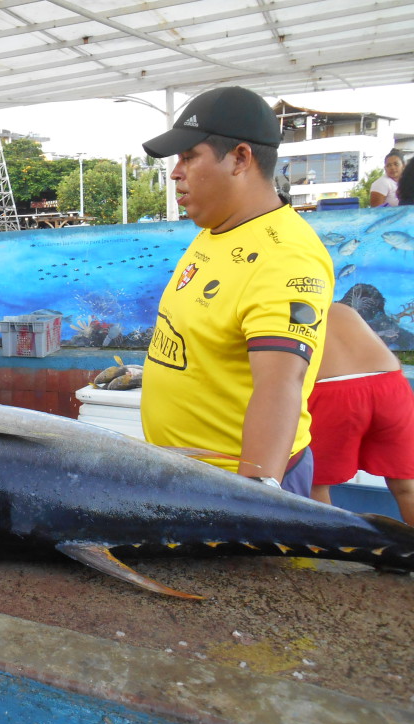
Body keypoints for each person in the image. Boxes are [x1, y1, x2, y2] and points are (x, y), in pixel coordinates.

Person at [139, 86, 334, 497]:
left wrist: (252, 502)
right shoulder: (218, 229)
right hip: (184, 476)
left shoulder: (285, 256)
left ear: (241, 159)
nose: (176, 172)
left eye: (189, 157)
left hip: (227, 488)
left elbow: (280, 383)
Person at [308, 303, 414, 524]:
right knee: (407, 487)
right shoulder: (341, 309)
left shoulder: (273, 309)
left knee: (313, 485)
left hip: (332, 391)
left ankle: (326, 556)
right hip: (390, 382)